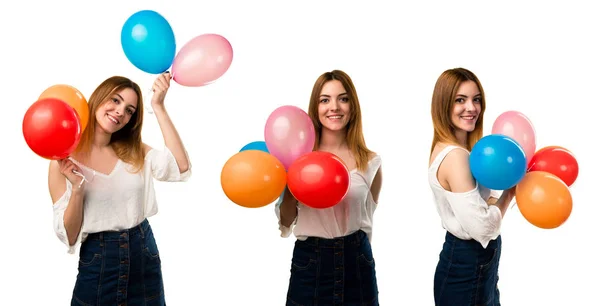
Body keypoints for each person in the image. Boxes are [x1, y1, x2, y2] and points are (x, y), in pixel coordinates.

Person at [48, 72, 191, 306]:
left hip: (143, 252)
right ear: (99, 96)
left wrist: (159, 105)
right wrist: (77, 188)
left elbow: (181, 167)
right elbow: (69, 235)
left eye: (129, 110)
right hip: (99, 260)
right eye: (115, 100)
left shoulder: (134, 150)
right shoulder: (63, 159)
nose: (120, 112)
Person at [275, 70, 383, 306]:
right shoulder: (298, 156)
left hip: (357, 262)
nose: (334, 107)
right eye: (325, 100)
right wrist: (292, 179)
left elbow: (367, 220)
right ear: (316, 107)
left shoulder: (371, 162)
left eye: (343, 99)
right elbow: (285, 221)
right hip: (311, 263)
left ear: (352, 106)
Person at [428, 67, 515, 305]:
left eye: (476, 99)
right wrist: (511, 191)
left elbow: (486, 202)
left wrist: (490, 204)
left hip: (477, 266)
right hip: (466, 268)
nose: (471, 108)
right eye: (460, 100)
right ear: (443, 105)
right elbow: (483, 229)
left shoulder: (466, 151)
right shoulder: (456, 156)